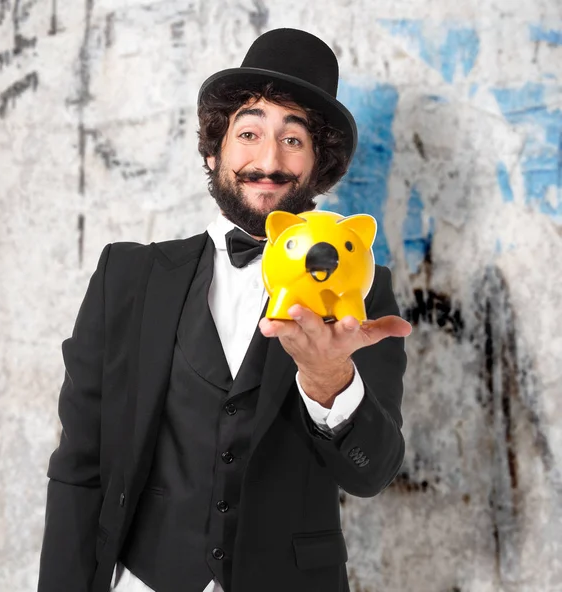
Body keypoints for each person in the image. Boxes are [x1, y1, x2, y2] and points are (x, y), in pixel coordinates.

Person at [38, 27, 412, 592]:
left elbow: (371, 473)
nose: (268, 159)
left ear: (318, 166)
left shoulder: (363, 292)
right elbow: (79, 466)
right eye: (249, 132)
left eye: (293, 139)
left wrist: (331, 379)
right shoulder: (128, 277)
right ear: (215, 150)